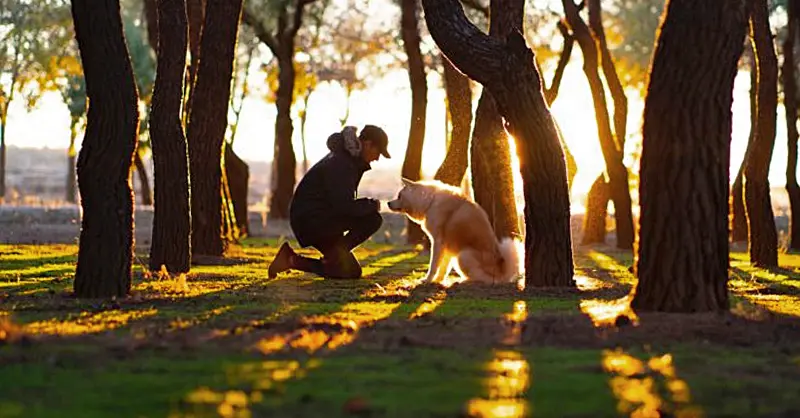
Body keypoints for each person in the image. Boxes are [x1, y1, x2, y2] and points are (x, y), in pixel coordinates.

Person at [267, 125, 391, 279]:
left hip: (319, 218)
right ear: (368, 144)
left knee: (350, 271)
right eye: (378, 152)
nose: (377, 158)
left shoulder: (348, 159)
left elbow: (341, 203)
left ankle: (290, 259)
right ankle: (333, 256)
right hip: (313, 220)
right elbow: (344, 206)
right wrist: (372, 205)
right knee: (373, 219)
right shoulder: (343, 163)